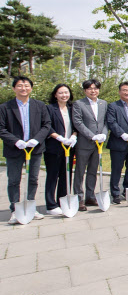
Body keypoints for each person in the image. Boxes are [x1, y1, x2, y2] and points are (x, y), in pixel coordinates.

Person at [0, 77, 51, 223]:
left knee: (33, 179)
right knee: (14, 180)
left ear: (31, 88)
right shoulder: (5, 107)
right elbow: (1, 129)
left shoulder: (39, 105)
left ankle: (30, 207)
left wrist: (37, 139)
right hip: (14, 149)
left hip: (34, 148)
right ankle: (15, 210)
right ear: (14, 88)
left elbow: (46, 125)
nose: (24, 88)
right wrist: (16, 141)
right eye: (20, 86)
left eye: (26, 86)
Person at [72, 79, 109, 211]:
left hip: (98, 144)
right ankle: (78, 197)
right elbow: (78, 122)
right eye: (90, 88)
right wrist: (92, 136)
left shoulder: (103, 103)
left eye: (95, 88)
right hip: (84, 143)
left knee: (93, 171)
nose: (93, 91)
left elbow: (105, 122)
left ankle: (90, 196)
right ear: (85, 90)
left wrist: (103, 134)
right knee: (80, 171)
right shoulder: (78, 104)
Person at [44, 84, 78, 215]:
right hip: (54, 146)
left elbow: (77, 124)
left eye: (66, 92)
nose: (64, 95)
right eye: (61, 93)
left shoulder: (72, 108)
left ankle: (62, 201)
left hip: (69, 146)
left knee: (66, 174)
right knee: (53, 175)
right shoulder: (49, 109)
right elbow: (47, 125)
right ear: (55, 95)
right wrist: (59, 138)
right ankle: (50, 205)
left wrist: (73, 136)